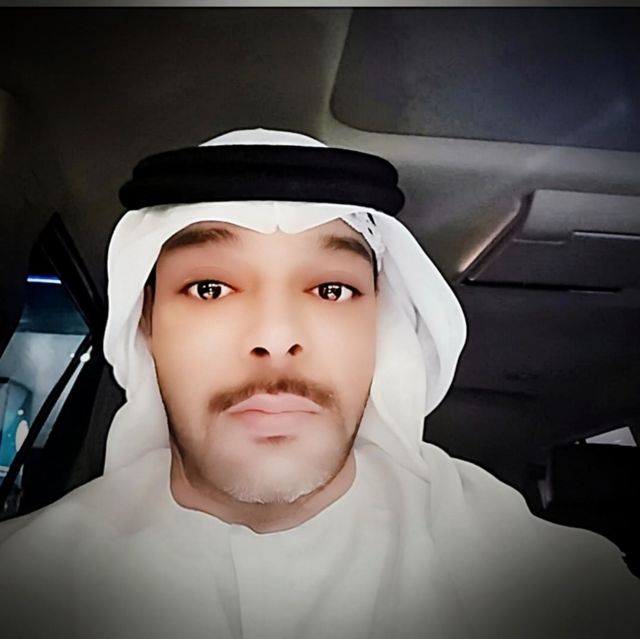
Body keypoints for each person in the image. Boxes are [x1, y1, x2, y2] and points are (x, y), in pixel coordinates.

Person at [0, 128, 637, 639]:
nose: (275, 337)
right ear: (146, 328)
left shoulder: (551, 586)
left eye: (332, 289)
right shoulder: (23, 586)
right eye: (210, 288)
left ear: (381, 326)